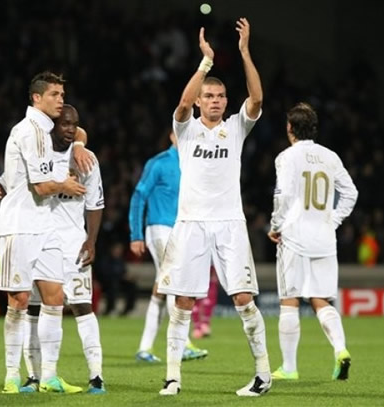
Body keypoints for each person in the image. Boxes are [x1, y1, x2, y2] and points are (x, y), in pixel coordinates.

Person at [156, 18, 272, 397]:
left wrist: (243, 52)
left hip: (229, 224)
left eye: (220, 97)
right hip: (190, 222)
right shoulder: (186, 129)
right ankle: (173, 377)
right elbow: (183, 102)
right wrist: (204, 63)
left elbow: (256, 98)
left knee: (243, 299)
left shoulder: (236, 127)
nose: (215, 101)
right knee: (183, 301)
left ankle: (263, 375)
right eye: (210, 97)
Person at [0, 104, 106, 394]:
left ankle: (96, 377)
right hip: (36, 236)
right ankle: (33, 376)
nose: (69, 128)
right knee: (32, 307)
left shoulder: (86, 160)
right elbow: (10, 182)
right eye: (64, 124)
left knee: (80, 305)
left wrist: (91, 240)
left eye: (73, 126)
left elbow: (95, 204)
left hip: (72, 243)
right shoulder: (38, 152)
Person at [0, 71, 86, 394]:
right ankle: (11, 376)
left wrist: (78, 143)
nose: (61, 100)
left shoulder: (43, 132)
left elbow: (16, 175)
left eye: (62, 94)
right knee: (18, 300)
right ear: (37, 98)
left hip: (44, 225)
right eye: (55, 95)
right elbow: (41, 185)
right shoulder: (31, 131)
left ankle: (48, 376)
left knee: (55, 298)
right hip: (19, 226)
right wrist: (66, 185)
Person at [267, 102, 358, 381]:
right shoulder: (330, 157)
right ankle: (340, 350)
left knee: (290, 300)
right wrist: (333, 220)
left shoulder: (286, 157)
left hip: (294, 237)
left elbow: (282, 196)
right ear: (314, 128)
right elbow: (351, 192)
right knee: (321, 299)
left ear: (290, 128)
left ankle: (290, 368)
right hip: (324, 238)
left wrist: (275, 226)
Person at [128, 131, 208, 363]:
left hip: (182, 231)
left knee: (161, 289)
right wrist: (136, 234)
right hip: (160, 229)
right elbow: (138, 196)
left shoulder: (195, 165)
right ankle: (182, 345)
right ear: (173, 136)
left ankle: (145, 348)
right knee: (176, 281)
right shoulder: (159, 163)